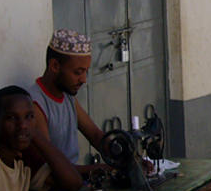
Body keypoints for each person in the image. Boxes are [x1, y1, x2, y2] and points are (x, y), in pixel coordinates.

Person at [28, 29, 151, 176]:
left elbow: (95, 135)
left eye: (85, 72)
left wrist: (130, 158)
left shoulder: (67, 95)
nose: (83, 80)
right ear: (54, 66)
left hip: (72, 178)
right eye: (77, 72)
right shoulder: (35, 105)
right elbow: (50, 169)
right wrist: (106, 168)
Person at [0, 86, 83, 191]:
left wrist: (35, 134)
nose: (22, 125)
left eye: (29, 116)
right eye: (11, 117)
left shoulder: (24, 158)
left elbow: (73, 183)